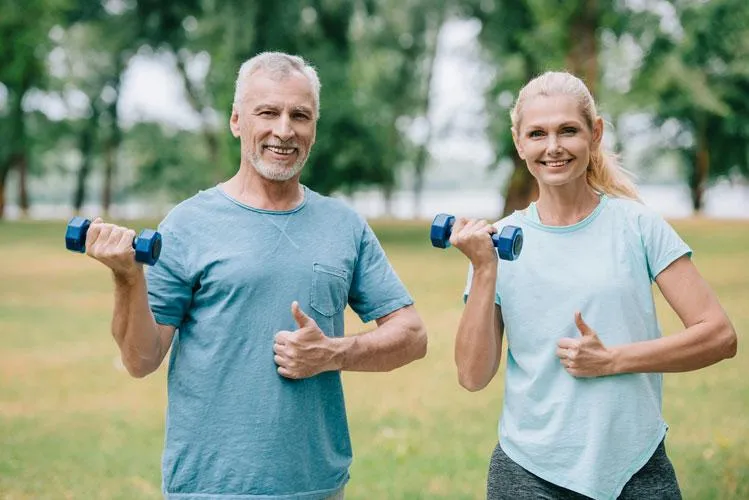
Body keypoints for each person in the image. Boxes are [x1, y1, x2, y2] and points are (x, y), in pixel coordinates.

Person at [83, 52, 427, 500]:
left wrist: (333, 352)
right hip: (209, 488)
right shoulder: (188, 224)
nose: (284, 130)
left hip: (316, 488)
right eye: (268, 112)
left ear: (314, 127)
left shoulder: (343, 225)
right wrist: (128, 279)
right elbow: (140, 359)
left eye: (299, 115)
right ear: (236, 121)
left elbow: (413, 335)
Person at [449, 71, 737, 500]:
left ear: (595, 133)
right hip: (529, 472)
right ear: (519, 142)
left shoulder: (638, 226)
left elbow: (719, 336)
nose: (553, 147)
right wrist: (486, 271)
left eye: (569, 130)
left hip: (636, 465)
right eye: (537, 133)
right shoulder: (494, 246)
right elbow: (472, 376)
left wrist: (613, 359)